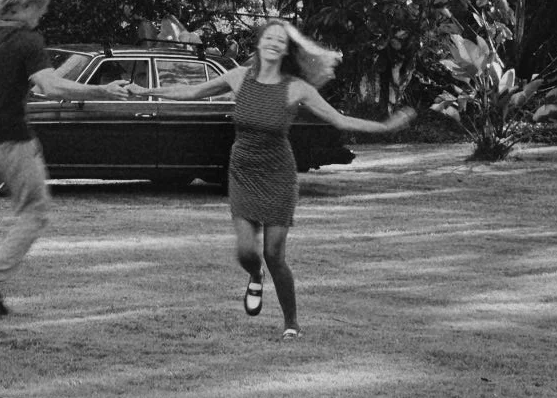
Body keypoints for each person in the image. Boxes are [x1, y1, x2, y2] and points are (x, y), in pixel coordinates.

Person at [132, 19, 415, 340]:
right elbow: (191, 91)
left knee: (274, 254)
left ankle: (291, 322)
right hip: (243, 170)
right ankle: (255, 276)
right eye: (269, 37)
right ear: (260, 43)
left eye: (281, 41)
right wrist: (147, 90)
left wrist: (386, 127)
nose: (274, 44)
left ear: (285, 50)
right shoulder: (238, 77)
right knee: (246, 253)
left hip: (278, 173)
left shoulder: (296, 88)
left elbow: (338, 119)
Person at [0, 0, 130, 317]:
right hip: (12, 139)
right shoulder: (27, 40)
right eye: (40, 8)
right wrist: (102, 89)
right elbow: (50, 87)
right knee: (35, 213)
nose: (41, 15)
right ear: (23, 3)